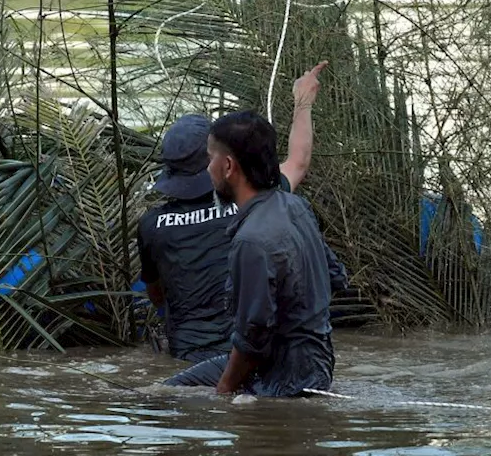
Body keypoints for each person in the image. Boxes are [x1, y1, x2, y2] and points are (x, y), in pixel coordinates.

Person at [137, 62, 327, 363]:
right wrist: (303, 101)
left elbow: (157, 296)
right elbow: (299, 160)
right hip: (251, 358)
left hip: (188, 357)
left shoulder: (151, 225)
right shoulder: (254, 200)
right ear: (224, 163)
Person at [165, 110, 348, 396]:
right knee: (166, 390)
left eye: (209, 158)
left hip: (284, 374)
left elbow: (253, 339)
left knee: (160, 398)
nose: (207, 169)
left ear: (227, 166)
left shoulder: (249, 242)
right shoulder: (296, 206)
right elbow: (337, 276)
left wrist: (224, 391)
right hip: (318, 362)